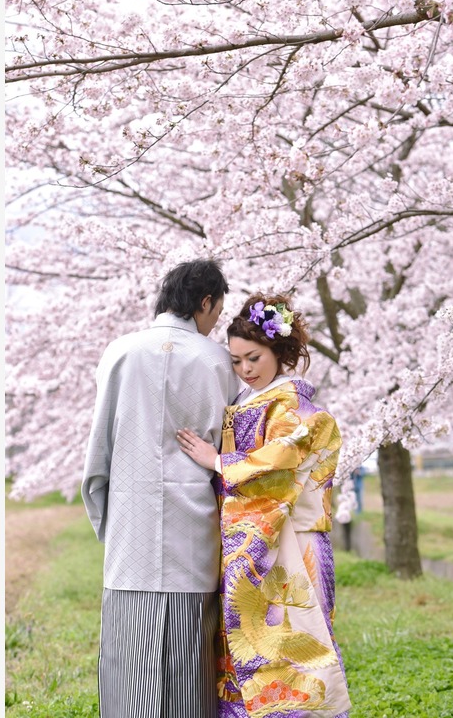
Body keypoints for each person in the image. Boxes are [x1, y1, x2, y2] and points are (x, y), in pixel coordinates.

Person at [177, 293, 352, 718]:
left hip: (290, 539)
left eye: (253, 357)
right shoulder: (251, 401)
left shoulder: (292, 404)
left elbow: (282, 462)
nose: (245, 370)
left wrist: (218, 461)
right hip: (260, 535)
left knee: (294, 644)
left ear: (279, 350)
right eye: (236, 362)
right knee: (252, 644)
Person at [81, 259, 239, 718]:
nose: (215, 324)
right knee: (191, 662)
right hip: (194, 528)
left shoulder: (121, 351)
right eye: (216, 312)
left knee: (129, 660)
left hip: (131, 527)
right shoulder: (217, 361)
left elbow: (98, 456)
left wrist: (108, 522)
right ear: (204, 302)